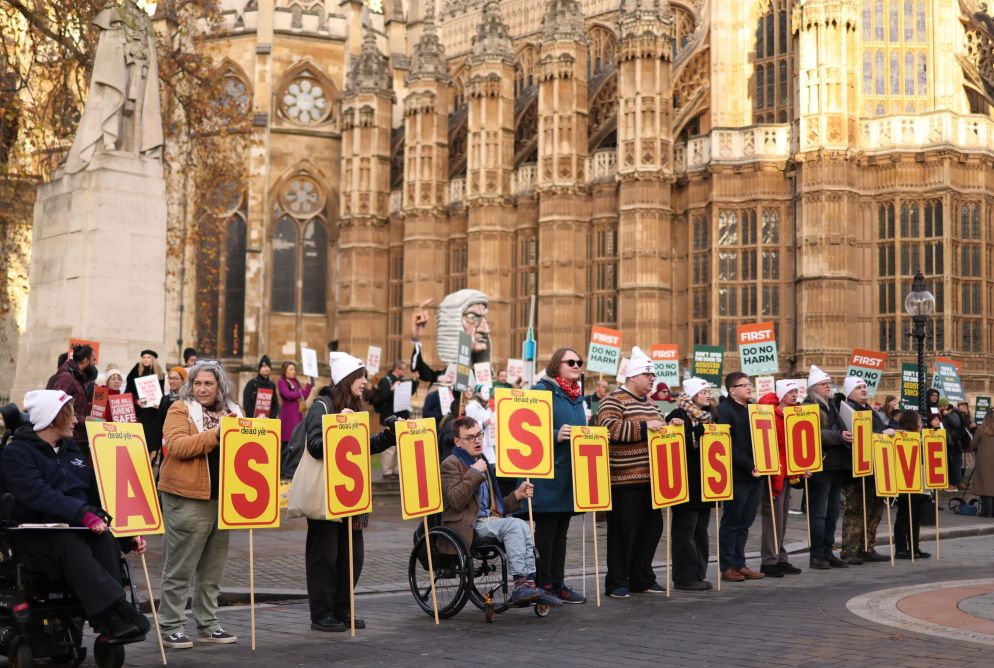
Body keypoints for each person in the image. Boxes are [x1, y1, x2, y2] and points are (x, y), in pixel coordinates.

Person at [0, 390, 151, 641]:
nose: (75, 421)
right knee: (68, 544)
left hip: (71, 527)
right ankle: (115, 613)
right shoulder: (17, 453)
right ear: (52, 418)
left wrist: (126, 537)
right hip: (31, 534)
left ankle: (111, 620)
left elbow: (94, 496)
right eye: (69, 415)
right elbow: (38, 494)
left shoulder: (72, 453)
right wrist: (81, 514)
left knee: (105, 542)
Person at [303, 352, 396, 631]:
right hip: (327, 496)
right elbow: (315, 446)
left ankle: (343, 609)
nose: (365, 382)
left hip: (351, 495)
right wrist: (339, 428)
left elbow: (363, 446)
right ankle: (322, 613)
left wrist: (389, 435)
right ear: (347, 379)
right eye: (361, 377)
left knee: (351, 558)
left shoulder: (355, 409)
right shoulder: (322, 406)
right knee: (325, 557)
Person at [158, 362, 242, 649]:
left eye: (208, 383)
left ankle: (207, 624)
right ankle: (170, 625)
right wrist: (218, 434)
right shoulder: (180, 409)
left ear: (220, 386)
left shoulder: (235, 412)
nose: (202, 389)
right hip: (187, 497)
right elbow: (177, 445)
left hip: (223, 500)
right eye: (197, 383)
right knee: (180, 567)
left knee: (212, 570)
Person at [442, 416, 555, 606]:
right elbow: (456, 501)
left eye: (479, 435)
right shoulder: (451, 463)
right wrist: (475, 473)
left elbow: (494, 507)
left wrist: (517, 496)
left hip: (489, 521)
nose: (477, 440)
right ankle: (521, 583)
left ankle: (529, 584)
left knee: (520, 524)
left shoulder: (482, 461)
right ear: (457, 442)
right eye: (470, 437)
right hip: (468, 524)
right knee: (514, 524)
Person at [598, 347, 683, 598]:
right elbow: (608, 430)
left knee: (650, 531)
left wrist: (671, 425)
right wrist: (646, 426)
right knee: (623, 533)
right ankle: (617, 581)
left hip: (652, 480)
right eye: (648, 375)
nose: (652, 379)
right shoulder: (613, 399)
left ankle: (641, 577)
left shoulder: (651, 403)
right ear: (634, 376)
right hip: (625, 479)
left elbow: (658, 430)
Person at [526, 348, 587, 603]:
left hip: (567, 476)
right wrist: (554, 434)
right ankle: (544, 584)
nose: (576, 365)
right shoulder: (542, 391)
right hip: (547, 475)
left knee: (561, 533)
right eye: (570, 361)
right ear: (556, 365)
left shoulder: (575, 396)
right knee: (547, 532)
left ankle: (558, 583)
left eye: (579, 362)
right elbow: (523, 426)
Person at [665, 377, 718, 590]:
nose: (708, 395)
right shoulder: (677, 415)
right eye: (704, 391)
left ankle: (699, 573)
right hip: (686, 485)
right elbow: (679, 448)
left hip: (705, 484)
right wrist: (698, 432)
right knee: (685, 533)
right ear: (693, 394)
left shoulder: (709, 416)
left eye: (709, 391)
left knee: (701, 532)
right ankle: (684, 577)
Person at [838, 377, 893, 564]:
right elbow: (857, 436)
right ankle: (850, 549)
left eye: (864, 387)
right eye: (859, 387)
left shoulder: (870, 409)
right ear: (850, 392)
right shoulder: (847, 410)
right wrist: (881, 435)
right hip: (856, 468)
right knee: (856, 510)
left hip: (875, 466)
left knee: (874, 509)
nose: (863, 390)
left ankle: (867, 547)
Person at [717, 371, 765, 582]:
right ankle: (727, 566)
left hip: (756, 474)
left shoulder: (754, 410)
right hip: (737, 475)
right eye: (743, 385)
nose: (749, 387)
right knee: (732, 522)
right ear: (732, 390)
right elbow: (728, 445)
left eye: (749, 384)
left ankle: (739, 562)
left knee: (745, 522)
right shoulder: (724, 411)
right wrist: (749, 465)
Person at [803, 365, 852, 570]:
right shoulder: (808, 406)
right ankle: (816, 554)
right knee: (819, 513)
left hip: (836, 465)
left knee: (832, 512)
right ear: (814, 388)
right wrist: (838, 435)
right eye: (825, 384)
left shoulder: (831, 405)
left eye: (829, 384)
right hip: (821, 466)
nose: (829, 387)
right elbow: (814, 433)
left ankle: (827, 550)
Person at [757, 380, 804, 578]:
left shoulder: (794, 415)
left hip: (788, 472)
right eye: (791, 391)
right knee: (772, 517)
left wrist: (803, 465)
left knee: (782, 517)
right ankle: (769, 561)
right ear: (782, 394)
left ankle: (780, 557)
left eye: (796, 391)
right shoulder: (768, 414)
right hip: (773, 473)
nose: (795, 395)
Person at [893, 410, 931, 559]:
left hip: (920, 480)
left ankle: (914, 547)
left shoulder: (921, 437)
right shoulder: (901, 437)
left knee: (916, 516)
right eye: (919, 421)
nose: (921, 424)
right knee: (904, 515)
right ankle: (901, 548)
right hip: (905, 481)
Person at [47, 344, 96, 449]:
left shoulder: (78, 376)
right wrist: (83, 420)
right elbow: (59, 407)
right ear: (86, 361)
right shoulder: (66, 377)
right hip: (70, 438)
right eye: (94, 360)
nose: (95, 363)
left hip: (78, 436)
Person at [371, 359, 410, 480]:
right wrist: (392, 389)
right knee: (389, 447)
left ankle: (397, 470)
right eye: (404, 369)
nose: (405, 371)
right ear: (397, 369)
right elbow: (381, 398)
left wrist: (414, 381)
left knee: (400, 446)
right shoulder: (385, 380)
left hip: (402, 416)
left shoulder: (402, 381)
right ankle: (387, 472)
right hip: (389, 418)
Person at [126, 350, 166, 454]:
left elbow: (161, 393)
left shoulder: (160, 374)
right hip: (140, 411)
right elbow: (129, 390)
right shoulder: (136, 371)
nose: (145, 359)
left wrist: (159, 403)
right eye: (143, 357)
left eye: (148, 357)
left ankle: (152, 457)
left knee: (153, 441)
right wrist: (136, 401)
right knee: (141, 440)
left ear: (153, 359)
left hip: (154, 412)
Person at [277, 361, 312, 447]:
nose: (294, 371)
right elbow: (287, 394)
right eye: (291, 369)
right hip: (288, 416)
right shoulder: (282, 382)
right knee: (288, 442)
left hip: (297, 414)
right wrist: (299, 393)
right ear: (285, 371)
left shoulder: (295, 382)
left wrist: (309, 386)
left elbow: (303, 397)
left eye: (294, 369)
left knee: (297, 439)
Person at [464, 384, 496, 462]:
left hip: (490, 444)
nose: (487, 394)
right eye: (485, 392)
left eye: (488, 392)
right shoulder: (471, 407)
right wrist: (483, 423)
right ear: (478, 393)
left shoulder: (488, 408)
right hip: (478, 444)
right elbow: (469, 426)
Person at [941, 402, 970, 490]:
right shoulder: (958, 413)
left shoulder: (953, 413)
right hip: (954, 441)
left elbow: (956, 423)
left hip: (953, 441)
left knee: (955, 463)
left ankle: (955, 483)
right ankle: (958, 482)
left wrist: (947, 414)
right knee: (956, 462)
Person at [970, 415, 994, 517]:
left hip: (984, 460)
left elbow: (973, 444)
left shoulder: (981, 430)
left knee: (984, 485)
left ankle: (986, 511)